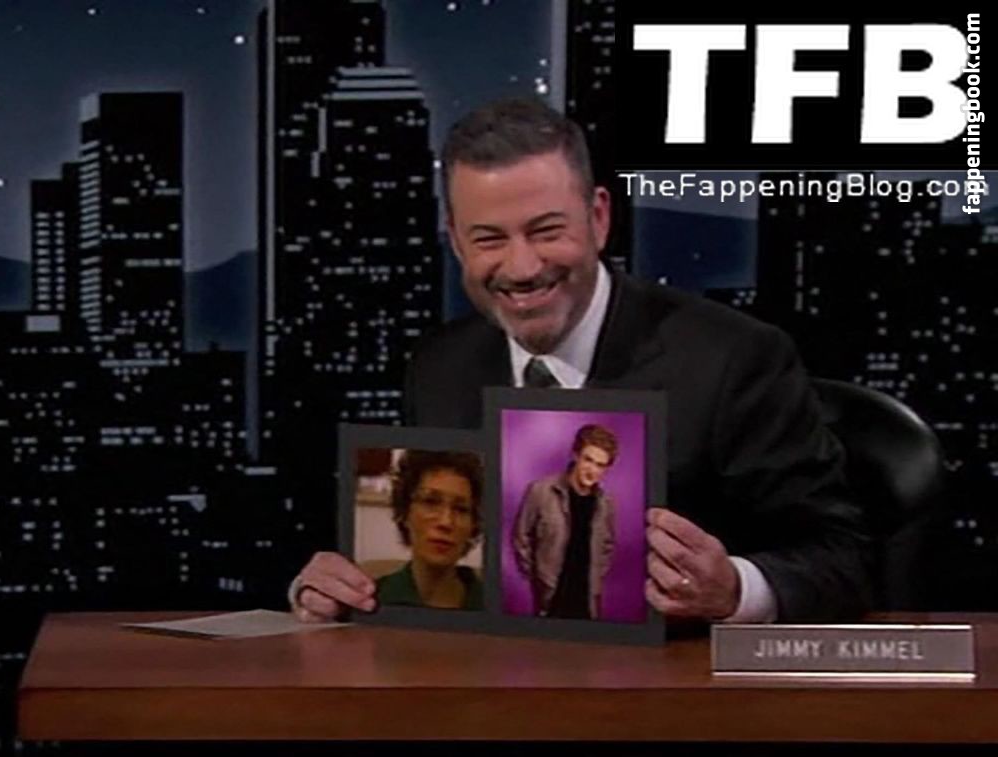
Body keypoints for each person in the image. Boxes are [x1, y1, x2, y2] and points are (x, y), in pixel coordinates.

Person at [291, 98, 870, 626]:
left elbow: (844, 557)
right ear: (456, 241)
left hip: (675, 691)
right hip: (489, 689)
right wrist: (340, 591)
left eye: (546, 231)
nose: (522, 268)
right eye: (489, 239)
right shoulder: (439, 367)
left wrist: (734, 591)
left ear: (598, 218)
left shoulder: (732, 359)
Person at [511, 424, 618, 618]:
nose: (592, 470)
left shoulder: (606, 504)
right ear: (575, 455)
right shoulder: (541, 491)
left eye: (600, 465)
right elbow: (521, 537)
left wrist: (595, 577)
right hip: (551, 597)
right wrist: (538, 578)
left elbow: (607, 546)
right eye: (588, 459)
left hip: (587, 602)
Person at [372, 450, 486, 610]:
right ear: (405, 513)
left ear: (473, 524)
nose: (446, 522)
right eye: (430, 502)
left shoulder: (494, 604)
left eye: (461, 509)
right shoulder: (369, 600)